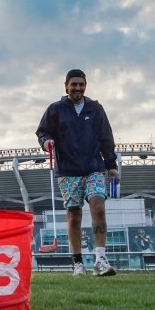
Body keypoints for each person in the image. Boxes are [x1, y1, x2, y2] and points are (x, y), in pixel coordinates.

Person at [36, 68, 119, 277]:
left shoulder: (96, 109)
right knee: (74, 215)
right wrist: (46, 141)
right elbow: (43, 131)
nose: (78, 88)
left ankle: (100, 259)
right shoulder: (55, 110)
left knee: (98, 206)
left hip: (94, 167)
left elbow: (106, 137)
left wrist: (111, 164)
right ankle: (77, 262)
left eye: (81, 84)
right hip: (68, 170)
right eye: (74, 84)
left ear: (86, 86)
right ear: (66, 86)